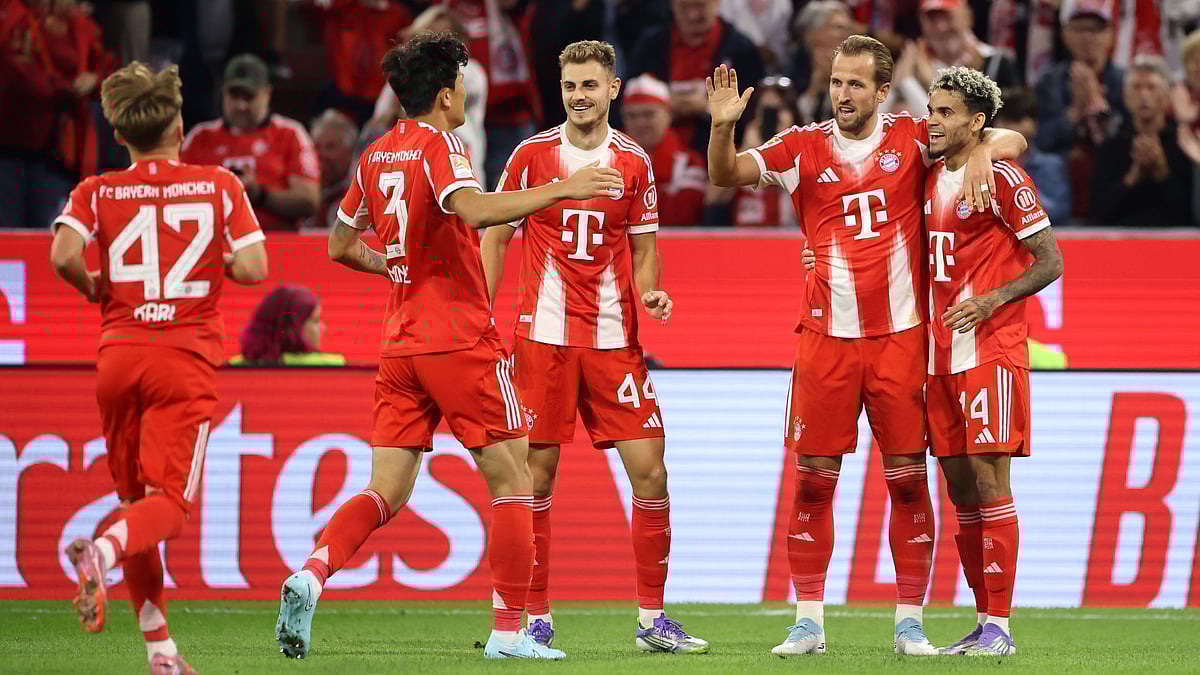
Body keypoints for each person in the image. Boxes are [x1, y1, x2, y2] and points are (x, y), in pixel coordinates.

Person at [273, 32, 623, 661]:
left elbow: (339, 246)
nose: (467, 92)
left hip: (400, 343)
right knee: (515, 481)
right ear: (443, 93)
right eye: (462, 82)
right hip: (460, 339)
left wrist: (401, 268)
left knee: (387, 490)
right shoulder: (443, 145)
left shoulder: (376, 153)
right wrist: (562, 190)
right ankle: (510, 633)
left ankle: (312, 573)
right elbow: (475, 211)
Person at [706, 34, 1027, 656]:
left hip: (902, 340)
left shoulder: (914, 137)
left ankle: (909, 623)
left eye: (856, 84)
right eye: (835, 82)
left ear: (883, 91)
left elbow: (1002, 138)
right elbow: (725, 174)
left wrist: (990, 148)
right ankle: (808, 621)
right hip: (824, 339)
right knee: (813, 480)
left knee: (909, 483)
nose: (843, 95)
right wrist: (723, 129)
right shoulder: (802, 146)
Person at [479, 40, 709, 655]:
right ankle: (534, 617)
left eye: (590, 85)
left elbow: (643, 248)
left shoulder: (634, 163)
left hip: (613, 342)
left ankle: (652, 619)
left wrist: (653, 292)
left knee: (651, 471)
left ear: (613, 90)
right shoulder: (530, 157)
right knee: (535, 477)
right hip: (543, 338)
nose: (579, 96)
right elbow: (496, 232)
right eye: (570, 86)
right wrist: (484, 311)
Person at [51, 61, 268, 675]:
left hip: (117, 356)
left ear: (119, 133)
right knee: (167, 507)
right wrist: (206, 261)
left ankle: (162, 655)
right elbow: (254, 269)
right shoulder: (220, 183)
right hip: (183, 357)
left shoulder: (96, 190)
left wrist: (95, 286)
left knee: (136, 506)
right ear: (179, 124)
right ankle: (100, 550)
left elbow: (62, 253)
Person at [922, 65, 1063, 655]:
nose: (932, 122)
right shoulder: (926, 173)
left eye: (946, 113)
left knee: (989, 479)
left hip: (991, 348)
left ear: (976, 122)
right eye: (930, 110)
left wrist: (993, 299)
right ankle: (982, 622)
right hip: (937, 354)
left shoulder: (1003, 177)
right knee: (958, 490)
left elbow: (1050, 261)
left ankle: (1000, 628)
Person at [181, 54, 320, 231]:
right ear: (223, 93)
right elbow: (174, 194)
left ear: (267, 93)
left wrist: (260, 195)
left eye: (249, 96)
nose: (241, 105)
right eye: (234, 95)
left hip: (276, 243)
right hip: (214, 246)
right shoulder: (200, 137)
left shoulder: (290, 134)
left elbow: (309, 201)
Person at [1091, 54, 1193, 227]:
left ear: (1167, 96)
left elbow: (1190, 214)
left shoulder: (1184, 144)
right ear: (1126, 97)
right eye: (1137, 87)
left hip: (1176, 242)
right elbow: (1098, 213)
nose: (1144, 95)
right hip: (1120, 242)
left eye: (1152, 87)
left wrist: (1162, 171)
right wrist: (1133, 177)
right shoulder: (1110, 147)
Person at [621, 73, 708, 226]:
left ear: (668, 115)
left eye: (648, 114)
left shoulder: (690, 163)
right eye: (632, 116)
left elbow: (682, 218)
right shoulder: (608, 158)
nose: (640, 123)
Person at [992, 88, 1072, 225]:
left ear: (1035, 125)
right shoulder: (983, 166)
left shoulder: (1051, 165)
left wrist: (1018, 191)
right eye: (1006, 119)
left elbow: (1059, 212)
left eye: (1018, 119)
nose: (1011, 127)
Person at [231, 285, 345, 366]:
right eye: (315, 320)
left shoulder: (233, 369)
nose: (322, 327)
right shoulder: (333, 367)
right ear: (293, 327)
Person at [308, 109, 358, 229]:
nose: (321, 154)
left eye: (330, 147)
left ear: (350, 151)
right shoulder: (304, 187)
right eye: (317, 147)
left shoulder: (364, 193)